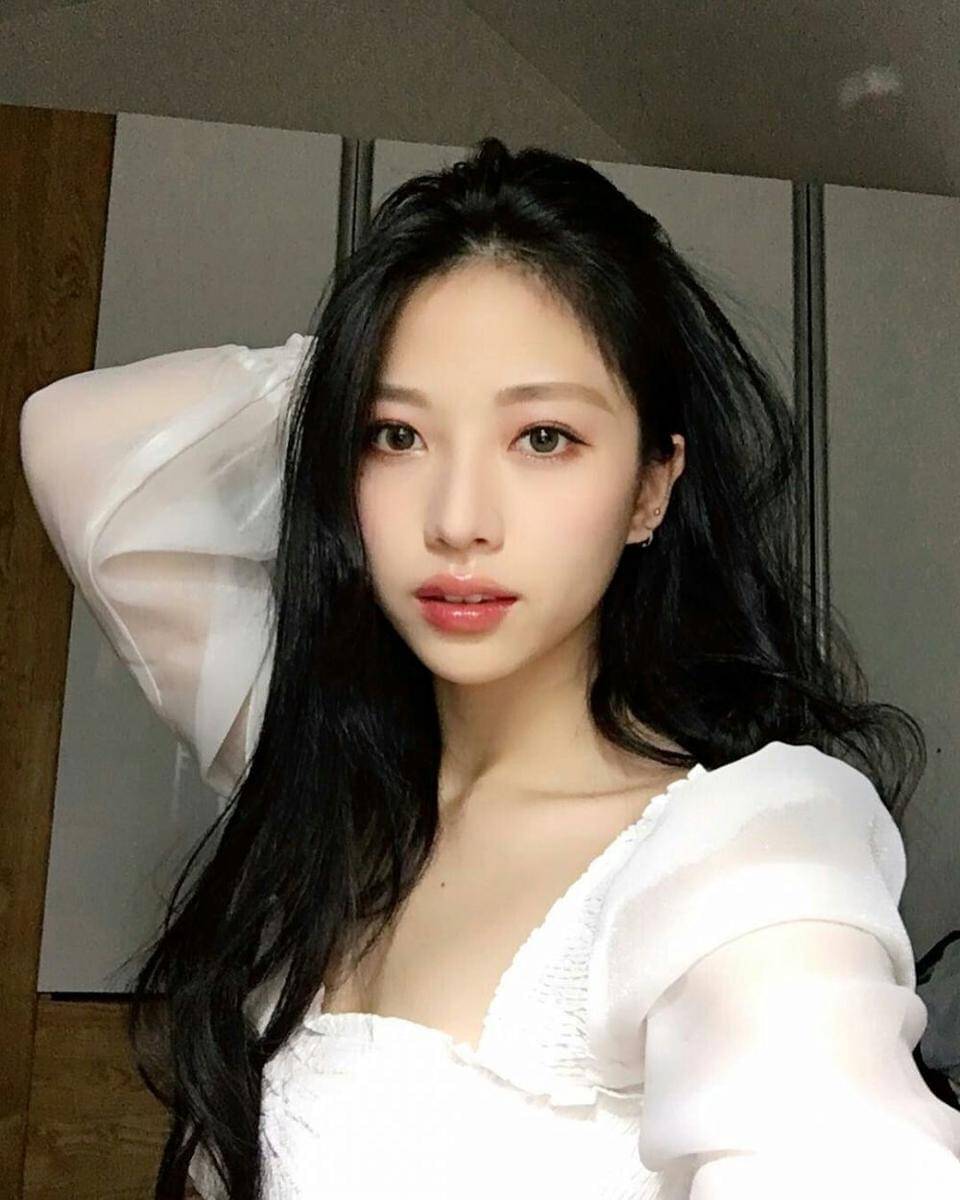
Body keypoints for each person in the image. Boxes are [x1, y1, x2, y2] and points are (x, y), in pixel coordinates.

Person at [18, 136, 960, 1200]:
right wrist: (361, 369)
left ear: (651, 489)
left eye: (544, 438)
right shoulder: (321, 779)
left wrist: (424, 376)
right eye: (395, 437)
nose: (458, 519)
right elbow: (69, 438)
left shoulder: (743, 850)